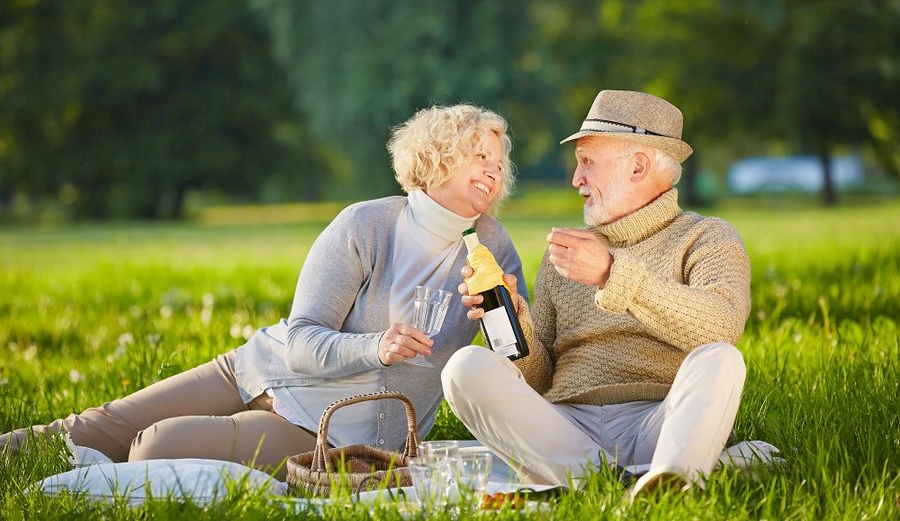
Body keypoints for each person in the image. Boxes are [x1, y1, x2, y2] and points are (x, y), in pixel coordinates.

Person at [1, 104, 529, 480]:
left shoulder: (492, 246)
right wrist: (375, 346)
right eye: (479, 154)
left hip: (325, 429)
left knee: (153, 446)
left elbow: (515, 359)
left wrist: (510, 313)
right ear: (437, 158)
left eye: (499, 162)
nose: (495, 167)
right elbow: (301, 339)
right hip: (265, 367)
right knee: (105, 424)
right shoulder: (365, 225)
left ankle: (153, 454)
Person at [442, 89, 751, 497]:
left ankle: (665, 477)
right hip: (566, 431)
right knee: (463, 368)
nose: (576, 180)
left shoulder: (706, 237)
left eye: (587, 163)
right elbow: (540, 379)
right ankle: (629, 482)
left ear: (638, 166)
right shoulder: (563, 258)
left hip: (659, 422)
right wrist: (514, 322)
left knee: (721, 358)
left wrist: (611, 273)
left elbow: (721, 326)